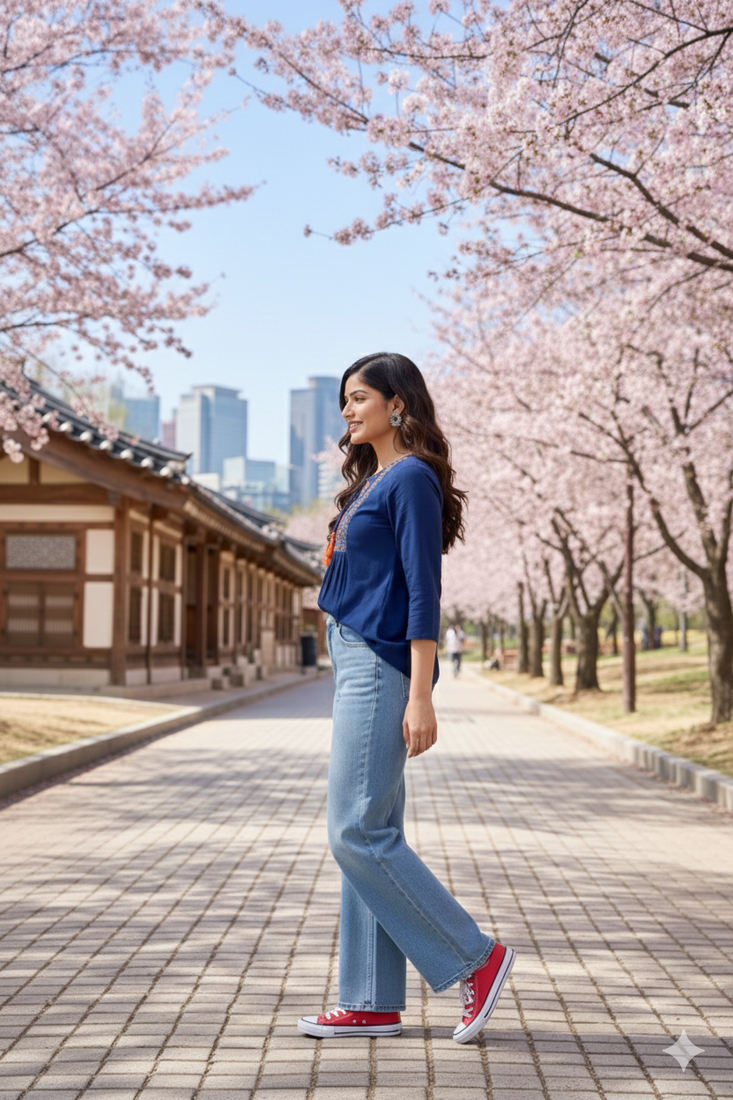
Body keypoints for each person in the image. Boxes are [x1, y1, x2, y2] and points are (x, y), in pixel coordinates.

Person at [298, 352, 515, 1044]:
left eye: (359, 396)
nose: (347, 409)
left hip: (380, 663)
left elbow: (424, 591)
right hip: (352, 657)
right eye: (343, 399)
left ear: (397, 403)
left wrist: (421, 695)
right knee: (372, 830)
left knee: (354, 831)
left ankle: (475, 958)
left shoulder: (412, 478)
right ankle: (369, 999)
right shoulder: (372, 481)